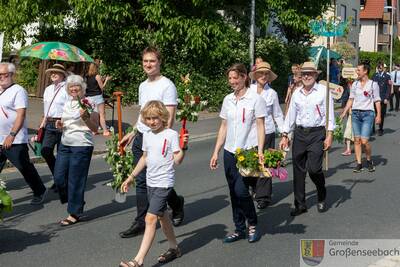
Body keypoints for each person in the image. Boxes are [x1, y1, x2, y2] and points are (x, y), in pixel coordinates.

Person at [119, 46, 185, 239]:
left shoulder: (167, 85)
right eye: (145, 61)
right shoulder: (143, 85)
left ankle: (176, 203)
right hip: (142, 137)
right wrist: (132, 133)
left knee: (158, 178)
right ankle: (141, 221)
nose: (148, 64)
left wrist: (162, 141)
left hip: (159, 140)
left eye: (152, 61)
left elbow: (169, 116)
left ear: (159, 62)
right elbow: (143, 115)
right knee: (142, 180)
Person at [119, 101, 188, 267]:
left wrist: (184, 147)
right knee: (163, 217)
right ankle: (174, 248)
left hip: (164, 183)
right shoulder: (148, 135)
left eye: (155, 118)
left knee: (150, 219)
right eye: (148, 118)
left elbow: (177, 160)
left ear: (163, 117)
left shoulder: (170, 135)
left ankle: (138, 261)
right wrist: (131, 177)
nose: (151, 122)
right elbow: (144, 158)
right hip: (151, 182)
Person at [210, 63, 266, 243]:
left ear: (244, 77)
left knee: (241, 191)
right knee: (233, 193)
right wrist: (215, 151)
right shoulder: (228, 99)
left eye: (236, 78)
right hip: (229, 152)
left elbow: (260, 125)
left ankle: (253, 224)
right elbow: (224, 126)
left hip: (247, 152)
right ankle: (239, 228)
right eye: (230, 78)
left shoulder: (255, 99)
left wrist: (260, 151)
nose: (232, 81)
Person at [279, 61, 334, 216]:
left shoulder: (324, 91)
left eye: (310, 73)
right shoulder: (297, 93)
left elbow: (329, 116)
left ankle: (321, 193)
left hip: (317, 134)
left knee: (314, 169)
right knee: (298, 170)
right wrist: (285, 135)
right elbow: (290, 116)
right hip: (300, 134)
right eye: (304, 73)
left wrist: (329, 135)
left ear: (316, 75)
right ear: (300, 76)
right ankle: (300, 204)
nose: (307, 76)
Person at [53, 75, 99, 226]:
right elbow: (66, 124)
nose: (73, 89)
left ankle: (74, 212)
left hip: (81, 145)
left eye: (76, 86)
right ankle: (76, 200)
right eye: (71, 87)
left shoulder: (90, 103)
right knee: (59, 177)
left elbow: (95, 128)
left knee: (75, 180)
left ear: (82, 88)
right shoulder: (67, 104)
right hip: (65, 143)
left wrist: (85, 117)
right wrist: (60, 125)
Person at [0, 62, 48, 205]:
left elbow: (21, 115)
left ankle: (39, 190)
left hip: (14, 139)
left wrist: (12, 134)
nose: (1, 77)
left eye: (4, 75)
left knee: (24, 167)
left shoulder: (18, 91)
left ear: (12, 75)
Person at [248, 61, 284, 209]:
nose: (263, 76)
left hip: (267, 132)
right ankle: (254, 187)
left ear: (269, 77)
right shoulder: (248, 91)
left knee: (266, 165)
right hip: (249, 133)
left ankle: (263, 196)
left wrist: (284, 133)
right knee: (249, 164)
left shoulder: (272, 94)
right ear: (255, 75)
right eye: (260, 73)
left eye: (266, 74)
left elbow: (277, 114)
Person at [340, 61, 381, 173]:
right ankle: (359, 163)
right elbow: (351, 99)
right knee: (357, 140)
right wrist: (344, 112)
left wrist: (379, 115)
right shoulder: (355, 84)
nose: (356, 72)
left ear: (365, 71)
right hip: (356, 114)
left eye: (358, 70)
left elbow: (377, 100)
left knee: (364, 141)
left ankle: (369, 160)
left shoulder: (373, 84)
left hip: (368, 114)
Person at [37, 64, 69, 190]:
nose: (53, 74)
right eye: (52, 72)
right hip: (49, 124)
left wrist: (64, 121)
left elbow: (70, 107)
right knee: (45, 151)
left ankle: (61, 181)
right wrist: (42, 123)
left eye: (56, 72)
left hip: (62, 124)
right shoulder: (48, 89)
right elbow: (47, 109)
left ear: (62, 74)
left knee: (62, 155)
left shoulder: (67, 88)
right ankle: (59, 177)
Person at [85, 62, 111, 136]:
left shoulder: (86, 76)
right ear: (96, 68)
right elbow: (102, 87)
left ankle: (94, 130)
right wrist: (106, 80)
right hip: (97, 97)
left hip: (89, 98)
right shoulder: (97, 76)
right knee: (102, 115)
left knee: (93, 115)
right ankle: (105, 131)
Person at [372, 63, 390, 136]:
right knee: (373, 114)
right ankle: (372, 128)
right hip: (375, 98)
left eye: (381, 67)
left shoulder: (387, 76)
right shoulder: (374, 75)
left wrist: (386, 98)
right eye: (378, 67)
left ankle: (380, 129)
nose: (380, 69)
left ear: (383, 68)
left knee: (381, 114)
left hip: (383, 98)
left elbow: (388, 88)